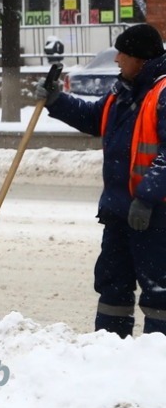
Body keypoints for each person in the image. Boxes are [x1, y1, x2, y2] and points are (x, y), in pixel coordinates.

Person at [42, 22, 166, 337]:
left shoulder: (162, 95)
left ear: (140, 58)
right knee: (113, 288)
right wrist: (56, 100)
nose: (116, 60)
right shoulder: (122, 93)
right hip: (118, 213)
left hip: (154, 216)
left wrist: (147, 197)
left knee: (159, 294)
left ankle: (156, 361)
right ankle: (108, 351)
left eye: (122, 53)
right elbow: (95, 118)